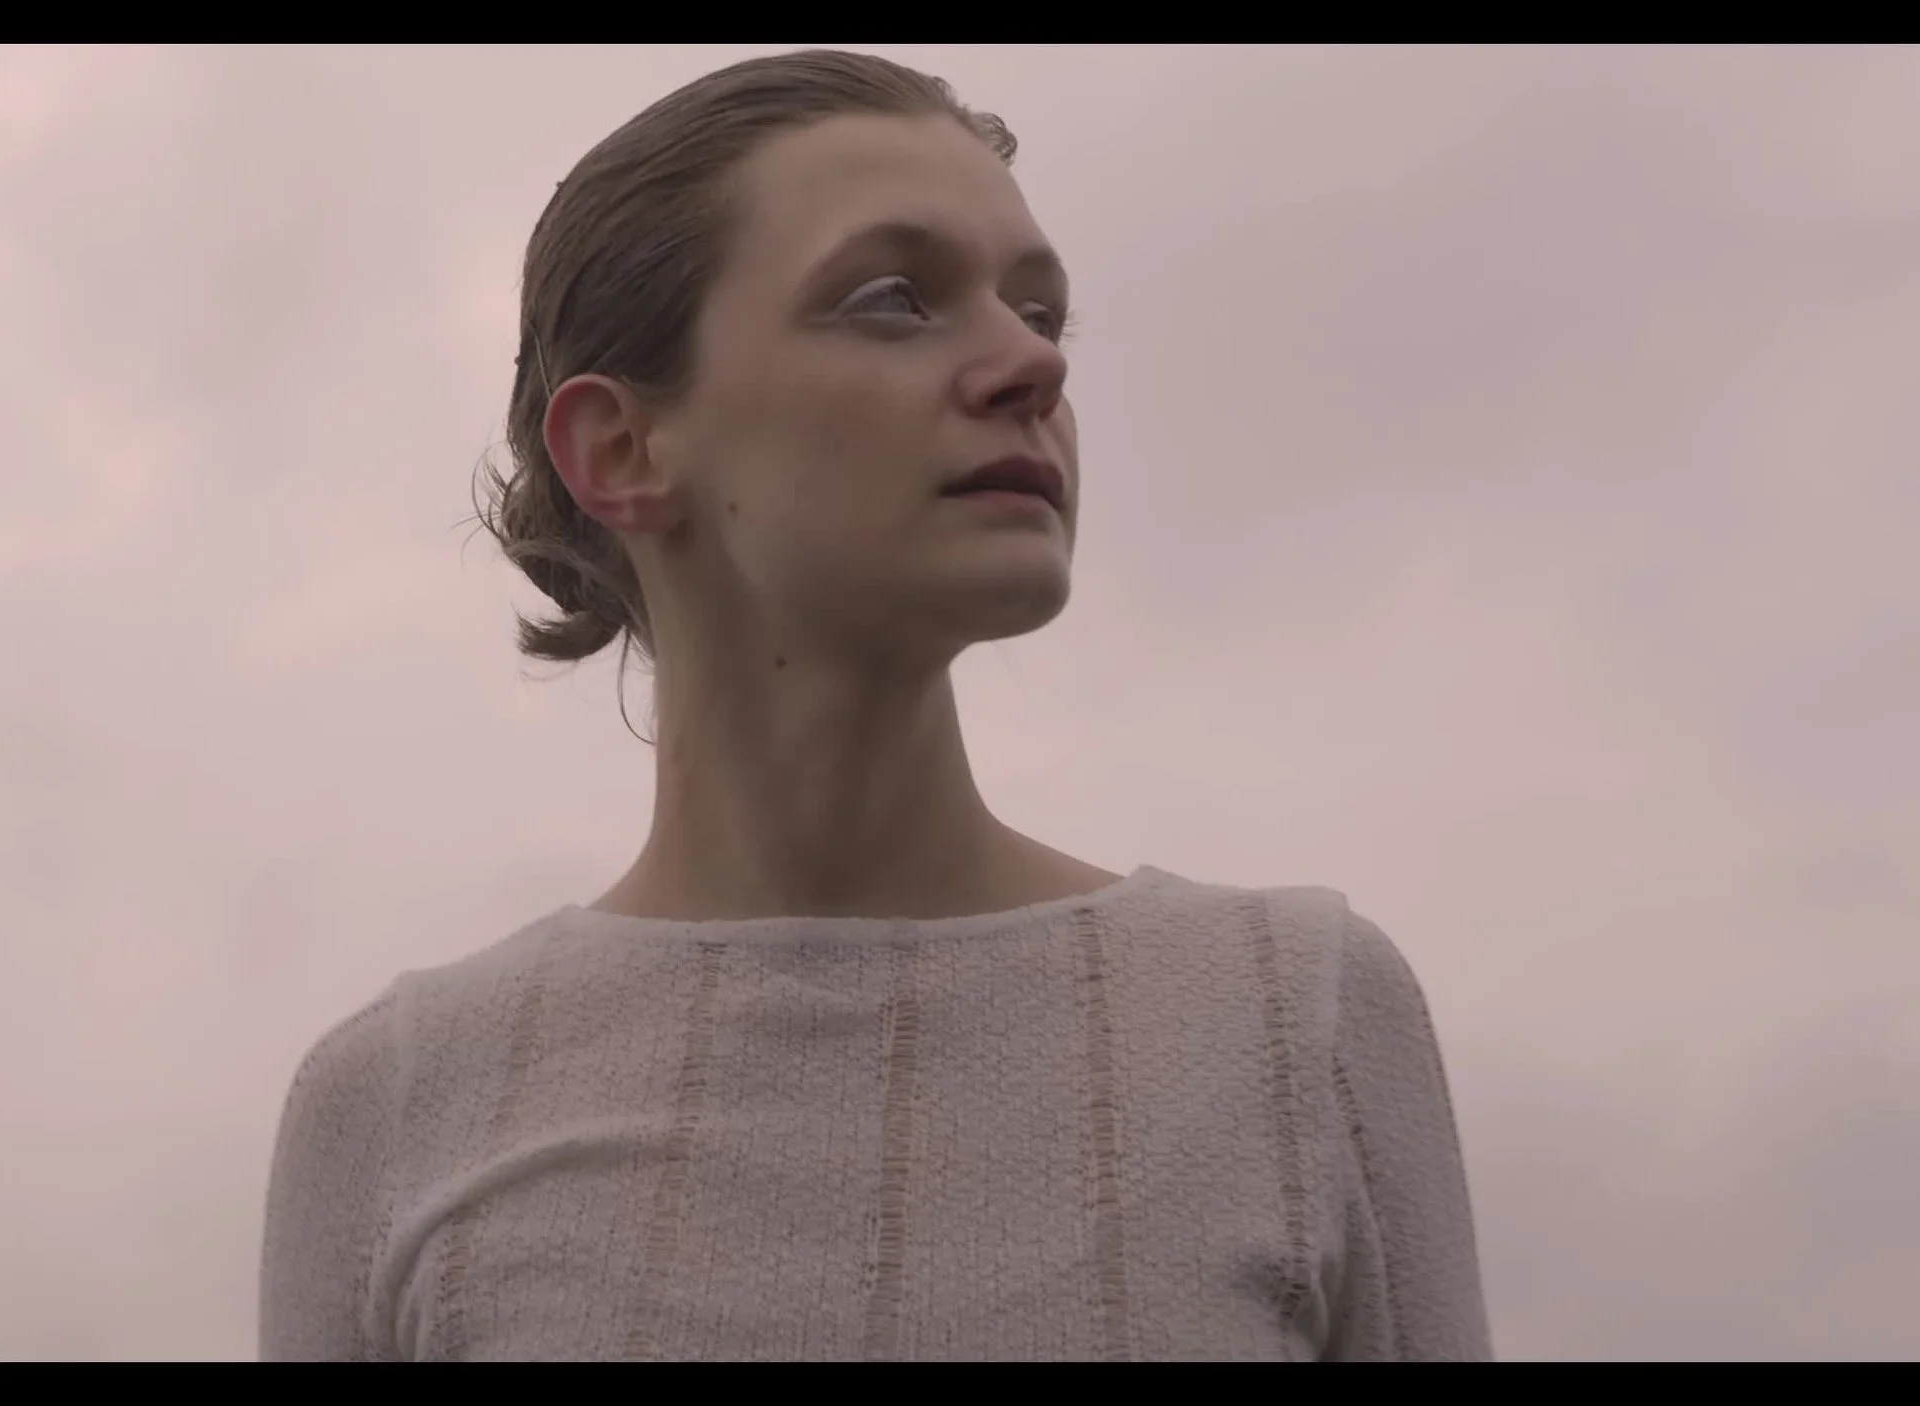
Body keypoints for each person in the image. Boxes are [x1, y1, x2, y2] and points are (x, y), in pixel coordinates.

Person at [259, 48, 1492, 1361]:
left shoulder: (1295, 1012)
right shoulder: (395, 1104)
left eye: (1042, 313)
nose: (1031, 367)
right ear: (621, 447)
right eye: (897, 297)